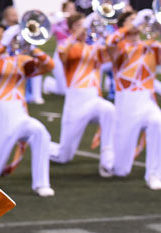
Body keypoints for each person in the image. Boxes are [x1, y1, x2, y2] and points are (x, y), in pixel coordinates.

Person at [0, 25, 56, 197]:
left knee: (40, 132)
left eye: (5, 34)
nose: (4, 36)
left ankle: (41, 183)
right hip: (0, 118)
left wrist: (31, 46)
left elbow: (49, 65)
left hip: (20, 115)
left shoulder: (20, 60)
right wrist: (3, 45)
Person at [105, 9, 161, 190]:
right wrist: (131, 26)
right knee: (120, 169)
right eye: (131, 19)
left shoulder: (151, 47)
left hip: (146, 100)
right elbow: (110, 42)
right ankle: (109, 160)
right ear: (124, 25)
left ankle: (154, 175)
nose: (138, 22)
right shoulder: (120, 47)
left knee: (158, 124)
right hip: (126, 103)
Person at [49, 13, 115, 175]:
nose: (84, 27)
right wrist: (82, 29)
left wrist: (105, 33)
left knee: (109, 110)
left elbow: (113, 54)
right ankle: (45, 146)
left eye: (84, 24)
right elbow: (63, 53)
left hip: (93, 99)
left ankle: (107, 158)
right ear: (71, 29)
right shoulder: (66, 45)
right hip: (75, 103)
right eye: (78, 25)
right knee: (64, 156)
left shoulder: (93, 47)